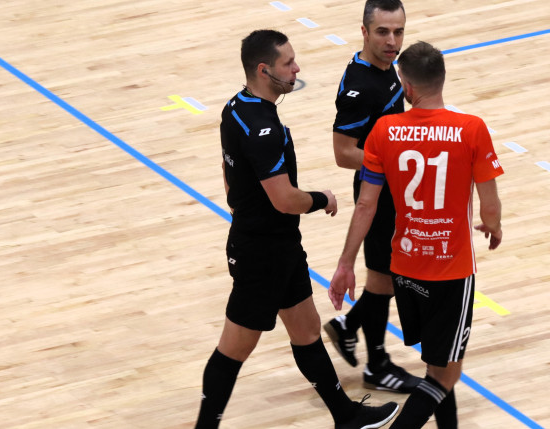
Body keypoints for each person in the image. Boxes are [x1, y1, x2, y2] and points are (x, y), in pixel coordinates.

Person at [194, 29, 398, 429]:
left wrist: (243, 209)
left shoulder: (236, 108)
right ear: (263, 69)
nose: (296, 68)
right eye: (288, 63)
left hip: (278, 246)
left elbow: (228, 173)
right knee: (233, 349)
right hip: (263, 254)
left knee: (306, 331)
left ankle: (346, 415)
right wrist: (322, 198)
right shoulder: (262, 128)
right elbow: (285, 199)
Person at [329, 41, 504, 428]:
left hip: (405, 269)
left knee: (438, 366)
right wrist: (493, 228)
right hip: (450, 270)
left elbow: (365, 206)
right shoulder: (471, 129)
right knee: (445, 376)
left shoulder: (384, 132)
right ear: (442, 79)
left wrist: (345, 264)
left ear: (405, 86)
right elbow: (489, 206)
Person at [325, 0, 421, 394]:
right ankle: (376, 361)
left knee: (385, 276)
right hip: (376, 189)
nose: (392, 41)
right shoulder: (358, 87)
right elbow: (343, 151)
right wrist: (391, 160)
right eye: (383, 32)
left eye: (398, 32)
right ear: (364, 31)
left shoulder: (386, 70)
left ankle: (358, 337)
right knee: (390, 276)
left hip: (392, 187)